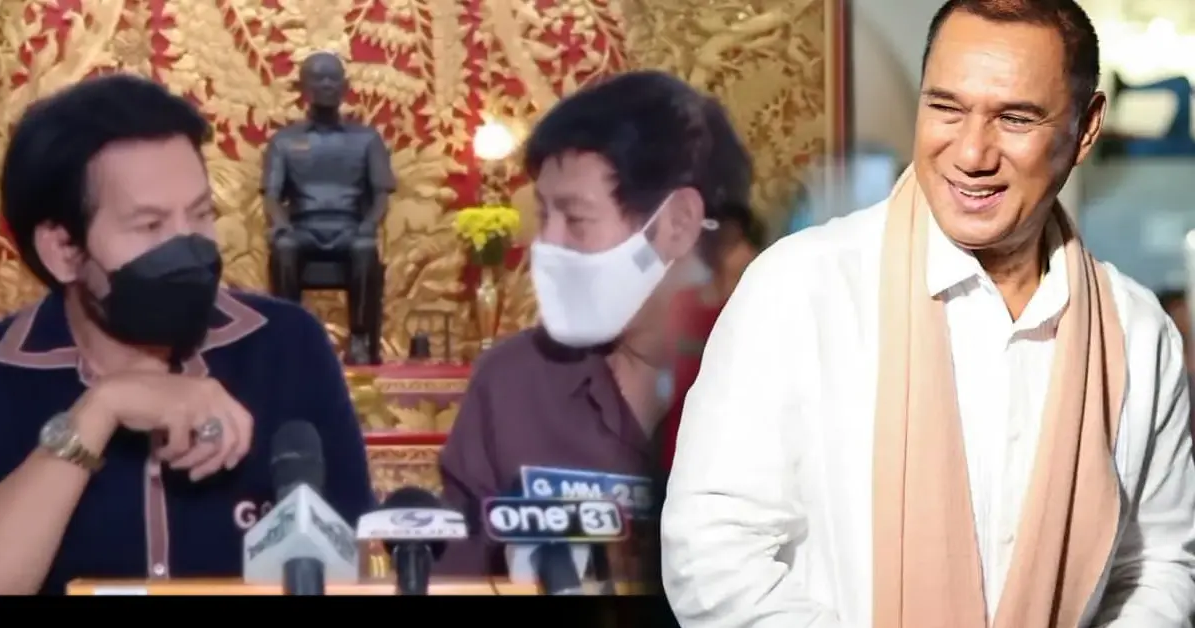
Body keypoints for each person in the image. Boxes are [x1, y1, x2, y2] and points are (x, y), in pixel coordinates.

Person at [661, 1, 1195, 626]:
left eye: (1014, 118)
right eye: (946, 107)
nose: (971, 152)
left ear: (1086, 127)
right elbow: (713, 550)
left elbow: (1157, 566)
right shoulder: (800, 288)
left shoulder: (1135, 333)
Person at [0, 74, 375, 595]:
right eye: (149, 226)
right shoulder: (2, 370)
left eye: (200, 215)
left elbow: (352, 562)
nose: (187, 247)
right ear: (63, 251)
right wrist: (101, 408)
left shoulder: (286, 346)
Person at [435, 70, 754, 579]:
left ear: (677, 223)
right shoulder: (512, 386)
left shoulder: (787, 385)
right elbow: (458, 580)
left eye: (576, 219)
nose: (547, 246)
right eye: (544, 216)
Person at [263, 51, 396, 365]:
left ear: (345, 86)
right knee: (284, 247)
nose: (326, 85)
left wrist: (369, 224)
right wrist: (280, 224)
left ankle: (360, 339)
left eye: (333, 78)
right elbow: (272, 195)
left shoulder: (367, 139)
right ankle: (288, 335)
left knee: (364, 247)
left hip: (349, 227)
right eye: (318, 78)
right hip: (303, 227)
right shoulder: (284, 141)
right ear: (303, 88)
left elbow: (381, 194)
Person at [659, 202, 764, 469]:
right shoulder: (680, 305)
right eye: (723, 242)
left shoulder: (760, 312)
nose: (729, 252)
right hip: (678, 460)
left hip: (735, 464)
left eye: (737, 242)